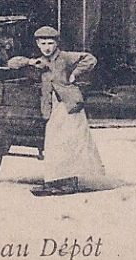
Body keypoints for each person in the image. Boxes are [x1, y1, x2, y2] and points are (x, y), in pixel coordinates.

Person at [8, 26, 104, 196]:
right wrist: (30, 62)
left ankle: (65, 182)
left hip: (69, 106)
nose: (47, 47)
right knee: (55, 144)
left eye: (50, 43)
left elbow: (90, 59)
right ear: (38, 44)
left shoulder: (65, 57)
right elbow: (12, 63)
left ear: (56, 43)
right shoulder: (40, 61)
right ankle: (56, 181)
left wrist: (75, 74)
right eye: (43, 43)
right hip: (53, 107)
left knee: (69, 143)